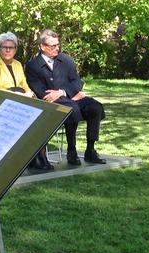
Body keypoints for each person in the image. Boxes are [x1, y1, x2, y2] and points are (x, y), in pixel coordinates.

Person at [25, 29, 106, 166]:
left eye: (58, 45)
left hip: (69, 97)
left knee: (94, 107)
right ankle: (71, 150)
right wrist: (70, 96)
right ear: (42, 47)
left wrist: (63, 92)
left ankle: (90, 150)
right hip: (52, 105)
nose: (57, 48)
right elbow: (42, 93)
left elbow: (77, 82)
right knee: (71, 109)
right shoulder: (33, 66)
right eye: (53, 46)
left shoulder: (66, 60)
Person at [0, 32, 53, 171]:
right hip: (2, 104)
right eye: (5, 47)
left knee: (42, 116)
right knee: (26, 119)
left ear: (16, 49)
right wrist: (18, 95)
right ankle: (32, 157)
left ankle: (40, 155)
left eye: (11, 47)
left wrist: (30, 93)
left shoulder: (17, 64)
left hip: (22, 101)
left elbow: (24, 85)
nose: (8, 50)